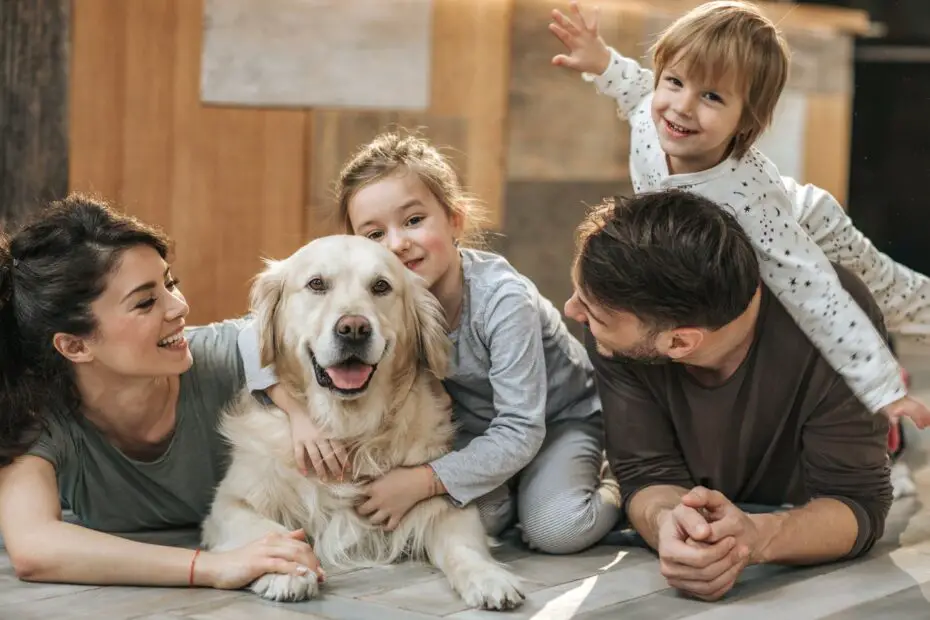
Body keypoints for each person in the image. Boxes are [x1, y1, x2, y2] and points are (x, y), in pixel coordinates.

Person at [549, 0, 930, 427]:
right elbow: (637, 89)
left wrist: (884, 391)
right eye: (674, 81)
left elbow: (819, 296)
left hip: (811, 228)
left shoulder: (746, 202)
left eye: (711, 96)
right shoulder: (653, 120)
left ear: (746, 122)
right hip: (758, 231)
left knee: (897, 298)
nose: (682, 107)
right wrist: (600, 60)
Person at [240, 132, 621, 553]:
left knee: (556, 529)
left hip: (553, 424)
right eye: (374, 235)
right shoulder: (381, 301)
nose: (398, 244)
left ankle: (617, 482)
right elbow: (248, 330)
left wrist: (422, 481)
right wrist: (298, 415)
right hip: (472, 432)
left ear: (455, 220)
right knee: (482, 518)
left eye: (413, 221)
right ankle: (520, 487)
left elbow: (520, 429)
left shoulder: (504, 300)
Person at [564, 189, 893, 601]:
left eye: (592, 314)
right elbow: (647, 475)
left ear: (680, 343)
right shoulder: (615, 324)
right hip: (712, 473)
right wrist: (669, 523)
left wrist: (757, 536)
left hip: (812, 476)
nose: (571, 310)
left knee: (886, 442)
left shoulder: (838, 315)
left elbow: (857, 504)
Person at [0, 195, 321, 588]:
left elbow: (293, 333)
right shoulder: (40, 416)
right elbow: (35, 548)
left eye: (171, 283)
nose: (179, 308)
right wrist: (212, 568)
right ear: (75, 346)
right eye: (146, 302)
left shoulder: (236, 362)